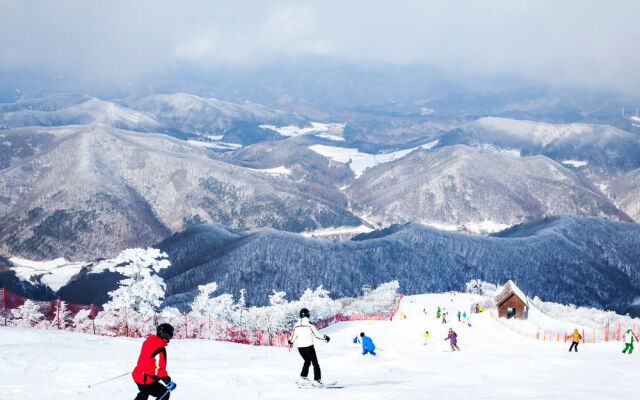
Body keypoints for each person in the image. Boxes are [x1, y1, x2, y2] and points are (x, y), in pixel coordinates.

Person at [132, 323, 177, 400]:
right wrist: (167, 381)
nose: (169, 338)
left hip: (137, 374)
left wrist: (152, 375)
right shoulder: (160, 348)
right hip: (145, 379)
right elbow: (161, 370)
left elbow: (146, 359)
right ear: (164, 334)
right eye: (169, 335)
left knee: (144, 393)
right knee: (164, 393)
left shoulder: (149, 340)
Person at [288, 308, 330, 387]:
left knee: (307, 361)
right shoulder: (310, 325)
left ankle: (303, 377)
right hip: (309, 347)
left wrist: (290, 341)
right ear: (307, 315)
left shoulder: (296, 326)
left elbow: (292, 338)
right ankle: (317, 380)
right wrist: (325, 337)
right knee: (315, 363)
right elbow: (317, 335)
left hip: (300, 348)